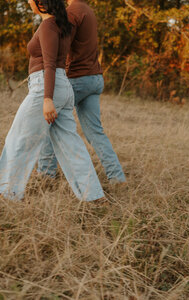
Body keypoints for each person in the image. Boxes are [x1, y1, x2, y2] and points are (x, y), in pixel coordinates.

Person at [0, 0, 105, 202]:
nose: (29, 2)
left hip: (46, 87)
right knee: (70, 144)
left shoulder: (49, 25)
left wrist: (47, 98)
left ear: (41, 2)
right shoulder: (61, 24)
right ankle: (92, 195)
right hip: (62, 86)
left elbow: (49, 64)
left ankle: (8, 193)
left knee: (19, 139)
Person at [37, 0, 126, 184]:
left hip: (78, 78)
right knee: (95, 132)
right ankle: (117, 178)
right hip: (94, 77)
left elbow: (61, 44)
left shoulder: (72, 12)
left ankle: (45, 176)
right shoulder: (87, 10)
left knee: (50, 122)